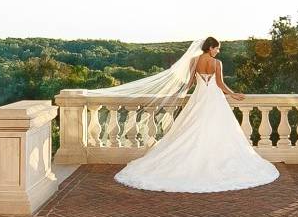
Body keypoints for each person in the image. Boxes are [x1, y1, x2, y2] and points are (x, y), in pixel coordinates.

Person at [111, 36, 279, 192]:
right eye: (217, 48)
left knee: (191, 127)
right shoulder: (217, 63)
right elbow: (220, 84)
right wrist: (233, 94)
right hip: (214, 98)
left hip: (199, 98)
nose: (218, 51)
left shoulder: (194, 60)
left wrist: (179, 93)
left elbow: (190, 81)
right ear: (211, 47)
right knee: (218, 129)